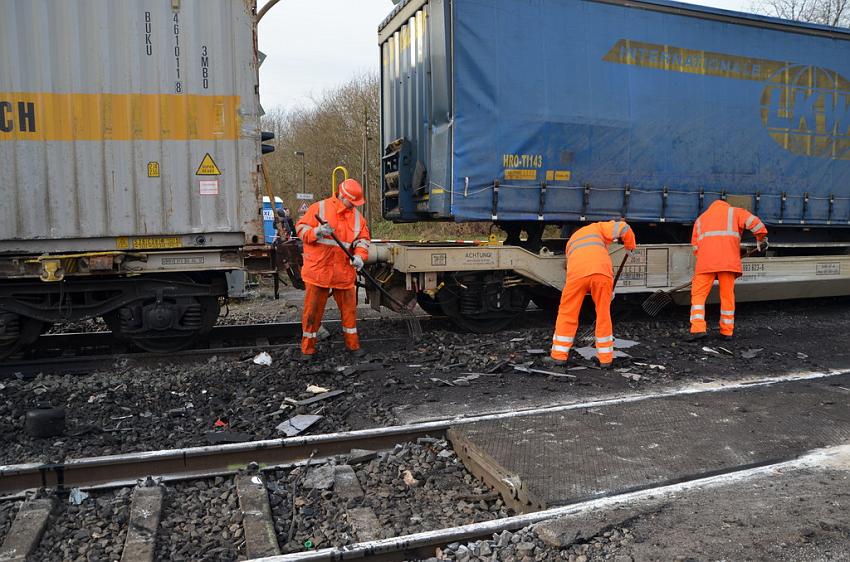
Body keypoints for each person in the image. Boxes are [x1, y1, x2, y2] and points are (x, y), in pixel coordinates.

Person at [295, 179, 370, 359]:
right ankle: (307, 350)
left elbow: (363, 240)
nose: (353, 206)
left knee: (350, 312)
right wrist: (317, 232)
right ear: (342, 196)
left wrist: (360, 256)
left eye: (355, 203)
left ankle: (353, 346)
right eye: (351, 202)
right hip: (319, 272)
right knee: (312, 313)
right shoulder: (319, 208)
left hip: (343, 273)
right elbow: (300, 229)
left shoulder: (358, 218)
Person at [547, 220, 637, 369]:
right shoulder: (597, 228)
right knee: (603, 315)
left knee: (567, 313)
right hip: (601, 274)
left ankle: (558, 356)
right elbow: (624, 227)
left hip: (576, 275)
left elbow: (572, 265)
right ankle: (606, 360)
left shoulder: (570, 242)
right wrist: (629, 246)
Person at [688, 200, 767, 341]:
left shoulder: (701, 219)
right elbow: (757, 224)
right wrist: (761, 239)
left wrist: (706, 258)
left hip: (705, 263)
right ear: (726, 205)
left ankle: (697, 329)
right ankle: (726, 332)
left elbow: (695, 247)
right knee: (727, 296)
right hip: (728, 263)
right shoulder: (735, 212)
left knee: (698, 296)